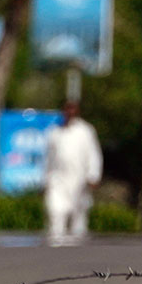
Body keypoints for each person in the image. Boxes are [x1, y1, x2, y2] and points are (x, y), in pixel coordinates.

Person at [42, 99, 103, 242]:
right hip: (58, 179)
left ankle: (77, 250)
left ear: (77, 111)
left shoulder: (85, 131)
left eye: (72, 109)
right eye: (67, 109)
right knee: (55, 210)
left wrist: (93, 175)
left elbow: (93, 154)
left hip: (79, 179)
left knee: (79, 213)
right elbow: (48, 159)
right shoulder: (54, 132)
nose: (70, 112)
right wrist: (44, 180)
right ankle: (56, 241)